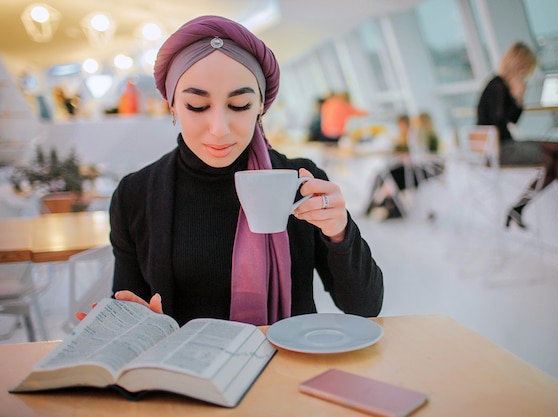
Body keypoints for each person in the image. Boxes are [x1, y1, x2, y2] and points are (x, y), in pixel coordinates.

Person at [92, 15, 383, 327]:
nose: (219, 130)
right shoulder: (135, 195)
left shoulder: (300, 181)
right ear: (172, 105)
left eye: (240, 105)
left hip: (284, 366)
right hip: (184, 371)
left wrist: (339, 232)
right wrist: (127, 318)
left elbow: (364, 307)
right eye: (197, 106)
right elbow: (129, 302)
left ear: (260, 106)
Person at [476, 41, 558, 230]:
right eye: (526, 68)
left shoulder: (500, 85)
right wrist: (516, 96)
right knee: (555, 155)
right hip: (500, 149)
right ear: (519, 64)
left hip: (504, 144)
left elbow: (512, 120)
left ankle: (530, 207)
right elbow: (502, 119)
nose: (526, 73)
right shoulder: (497, 85)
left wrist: (518, 98)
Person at [365, 113, 444, 220]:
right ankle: (386, 206)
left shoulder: (422, 140)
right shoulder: (428, 139)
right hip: (419, 172)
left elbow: (419, 157)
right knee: (385, 175)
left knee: (385, 175)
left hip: (419, 173)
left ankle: (378, 206)